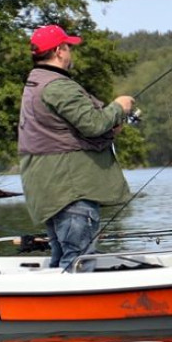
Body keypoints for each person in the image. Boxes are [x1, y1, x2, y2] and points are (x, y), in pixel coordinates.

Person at [18, 24, 135, 270]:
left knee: (62, 259)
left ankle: (57, 307)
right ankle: (79, 307)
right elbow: (93, 124)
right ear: (60, 51)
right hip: (71, 192)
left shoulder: (35, 84)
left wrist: (109, 126)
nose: (71, 52)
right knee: (79, 261)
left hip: (52, 191)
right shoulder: (58, 86)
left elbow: (61, 132)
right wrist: (118, 107)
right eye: (68, 47)